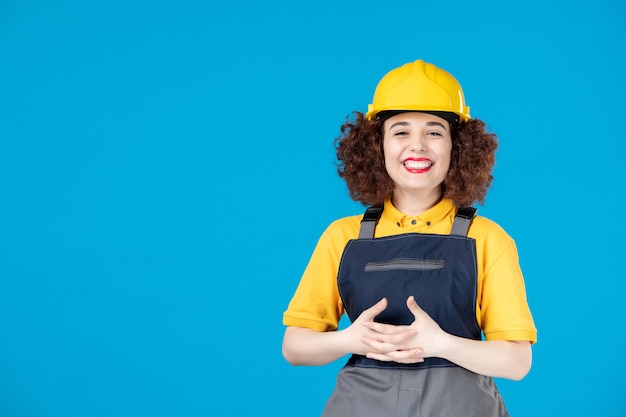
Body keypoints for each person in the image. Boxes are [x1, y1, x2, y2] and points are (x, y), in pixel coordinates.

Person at [281, 59, 537, 417]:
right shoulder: (343, 236)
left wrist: (441, 343)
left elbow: (517, 362)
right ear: (377, 146)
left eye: (434, 132)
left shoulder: (487, 238)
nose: (417, 146)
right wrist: (350, 339)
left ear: (457, 148)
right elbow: (294, 346)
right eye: (400, 132)